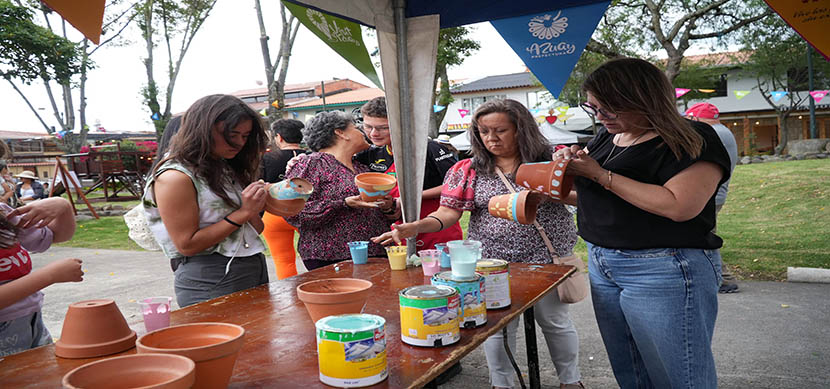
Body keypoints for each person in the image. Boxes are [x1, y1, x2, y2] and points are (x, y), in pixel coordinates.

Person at [373, 99, 584, 389]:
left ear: (521, 129)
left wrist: (548, 191)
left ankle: (571, 382)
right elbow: (448, 213)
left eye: (500, 130)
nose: (491, 138)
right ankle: (502, 384)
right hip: (492, 263)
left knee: (554, 322)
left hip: (546, 258)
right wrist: (414, 227)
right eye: (484, 131)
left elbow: (582, 199)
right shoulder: (469, 168)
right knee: (496, 328)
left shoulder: (552, 160)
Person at [555, 58, 731, 388]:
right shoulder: (610, 137)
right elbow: (600, 197)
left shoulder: (693, 137)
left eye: (609, 109)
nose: (600, 116)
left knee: (680, 377)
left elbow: (680, 206)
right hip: (603, 262)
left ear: (643, 100)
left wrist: (598, 173)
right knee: (632, 371)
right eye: (593, 107)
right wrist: (558, 181)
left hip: (663, 266)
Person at [143, 94, 270, 308]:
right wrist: (244, 212)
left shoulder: (223, 168)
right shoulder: (175, 177)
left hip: (251, 266)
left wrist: (261, 204)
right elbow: (187, 244)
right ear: (203, 129)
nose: (239, 142)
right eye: (232, 134)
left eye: (245, 135)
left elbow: (254, 228)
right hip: (210, 278)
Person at [285, 111, 393, 271]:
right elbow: (291, 211)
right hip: (330, 257)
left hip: (374, 253)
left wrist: (388, 206)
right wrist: (343, 204)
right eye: (356, 128)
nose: (364, 132)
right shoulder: (312, 164)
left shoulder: (361, 167)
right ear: (341, 133)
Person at [355, 97, 462, 250]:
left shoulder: (429, 148)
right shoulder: (371, 154)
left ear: (401, 125)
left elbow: (456, 185)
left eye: (383, 128)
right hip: (398, 231)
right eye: (367, 126)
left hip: (438, 228)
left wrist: (408, 199)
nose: (373, 133)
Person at [0, 197, 82, 356]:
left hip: (32, 320)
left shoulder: (3, 212)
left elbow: (57, 235)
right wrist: (49, 276)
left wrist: (63, 207)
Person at [685, 102, 740, 293]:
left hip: (709, 196)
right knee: (705, 236)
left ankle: (723, 279)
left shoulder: (711, 133)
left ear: (695, 118)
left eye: (688, 119)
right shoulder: (722, 131)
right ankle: (721, 277)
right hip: (714, 194)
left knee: (705, 238)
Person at [261, 119, 307, 279]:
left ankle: (290, 297)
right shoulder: (313, 157)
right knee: (314, 258)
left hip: (274, 214)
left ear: (279, 137)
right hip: (307, 212)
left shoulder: (267, 158)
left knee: (283, 261)